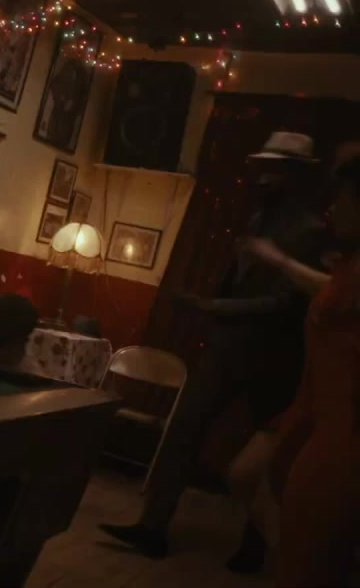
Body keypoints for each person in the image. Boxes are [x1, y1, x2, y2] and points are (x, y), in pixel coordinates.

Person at [99, 132, 326, 565]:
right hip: (226, 347)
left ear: (297, 175)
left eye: (276, 169)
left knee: (264, 457)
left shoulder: (310, 231)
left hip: (274, 357)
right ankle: (152, 528)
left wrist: (211, 306)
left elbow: (285, 304)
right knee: (183, 428)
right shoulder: (259, 219)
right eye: (264, 167)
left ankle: (254, 547)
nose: (263, 177)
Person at [239, 148, 360, 586]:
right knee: (250, 480)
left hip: (339, 423)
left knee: (310, 546)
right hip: (312, 403)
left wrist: (280, 262)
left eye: (345, 196)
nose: (335, 206)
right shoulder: (348, 262)